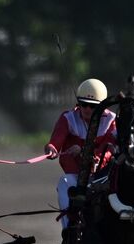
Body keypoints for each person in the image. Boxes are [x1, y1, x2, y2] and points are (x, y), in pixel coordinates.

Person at [45, 78, 116, 228]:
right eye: (83, 104)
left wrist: (84, 152)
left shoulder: (111, 121)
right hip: (77, 177)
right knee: (64, 182)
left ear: (102, 106)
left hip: (103, 179)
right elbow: (57, 139)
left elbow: (109, 150)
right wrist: (51, 148)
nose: (87, 109)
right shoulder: (68, 118)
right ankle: (68, 228)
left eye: (92, 106)